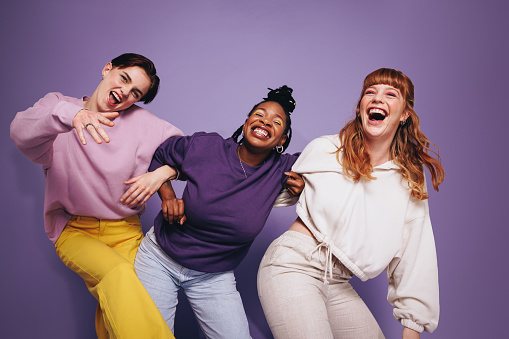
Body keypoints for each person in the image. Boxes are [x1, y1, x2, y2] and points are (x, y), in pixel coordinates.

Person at [257, 68, 445, 339]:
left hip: (337, 280)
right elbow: (259, 186)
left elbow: (416, 248)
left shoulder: (408, 180)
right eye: (370, 92)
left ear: (404, 114)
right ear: (360, 108)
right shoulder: (327, 149)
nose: (378, 98)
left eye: (390, 94)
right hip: (292, 263)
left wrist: (412, 326)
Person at [10, 53, 182, 339]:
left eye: (135, 93)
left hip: (127, 231)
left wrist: (162, 175)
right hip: (75, 231)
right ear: (107, 69)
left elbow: (191, 153)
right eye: (123, 78)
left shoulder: (144, 123)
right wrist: (73, 115)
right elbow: (20, 131)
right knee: (117, 276)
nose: (124, 92)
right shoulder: (58, 106)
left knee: (123, 301)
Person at [121, 86, 304, 338]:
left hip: (213, 277)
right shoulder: (207, 146)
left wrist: (307, 183)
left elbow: (333, 163)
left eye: (276, 121)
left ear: (282, 139)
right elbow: (159, 154)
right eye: (259, 115)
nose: (265, 122)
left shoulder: (283, 169)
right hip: (159, 259)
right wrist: (167, 196)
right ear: (246, 122)